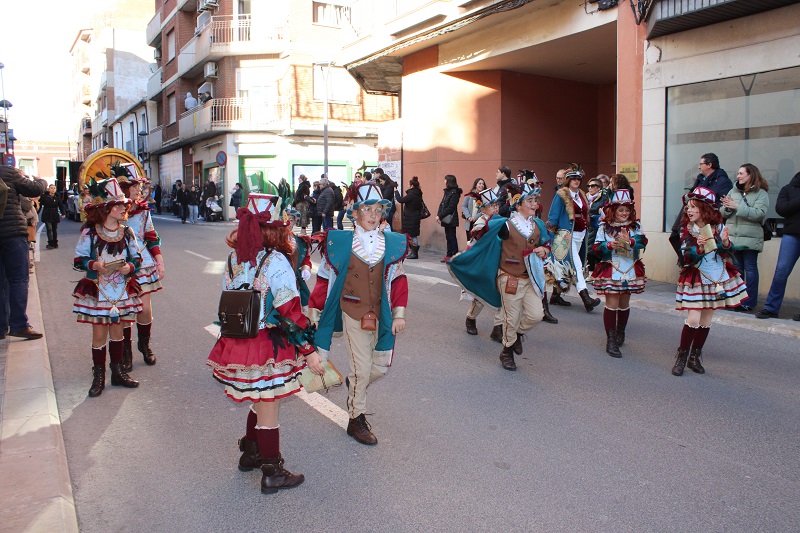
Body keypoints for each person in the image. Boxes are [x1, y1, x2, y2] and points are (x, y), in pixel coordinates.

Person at [207, 193, 323, 494]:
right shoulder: (276, 261)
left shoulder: (233, 259)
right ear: (274, 230)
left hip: (239, 341)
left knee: (258, 396)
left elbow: (225, 300)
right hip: (267, 343)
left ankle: (250, 453)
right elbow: (290, 311)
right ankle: (272, 470)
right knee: (269, 403)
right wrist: (308, 350)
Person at [308, 182, 409, 445]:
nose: (373, 215)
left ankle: (355, 384)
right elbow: (324, 279)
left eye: (378, 209)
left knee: (381, 367)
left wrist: (399, 314)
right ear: (355, 214)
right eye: (367, 209)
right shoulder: (340, 243)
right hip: (352, 311)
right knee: (363, 368)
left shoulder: (392, 243)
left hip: (382, 314)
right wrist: (315, 309)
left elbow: (398, 281)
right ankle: (356, 418)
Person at [449, 182, 550, 371]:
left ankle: (517, 335)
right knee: (510, 318)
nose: (534, 203)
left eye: (535, 200)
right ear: (518, 205)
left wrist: (544, 250)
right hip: (509, 276)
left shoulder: (538, 225)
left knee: (537, 315)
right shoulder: (505, 225)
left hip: (531, 278)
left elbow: (547, 244)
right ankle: (507, 351)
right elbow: (483, 239)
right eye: (530, 200)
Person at [72, 177, 143, 396]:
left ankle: (118, 372)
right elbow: (78, 260)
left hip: (121, 290)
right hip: (99, 290)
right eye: (119, 205)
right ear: (107, 208)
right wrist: (94, 264)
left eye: (124, 205)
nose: (124, 208)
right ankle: (99, 376)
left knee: (118, 331)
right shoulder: (90, 233)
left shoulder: (127, 232)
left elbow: (137, 258)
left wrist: (129, 267)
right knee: (99, 334)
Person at [672, 186, 746, 376]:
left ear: (704, 209)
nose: (688, 210)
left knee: (706, 320)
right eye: (688, 207)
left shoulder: (719, 227)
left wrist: (726, 243)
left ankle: (694, 358)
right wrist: (698, 247)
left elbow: (727, 253)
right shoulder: (687, 231)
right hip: (697, 277)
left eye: (693, 207)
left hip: (717, 277)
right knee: (693, 318)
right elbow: (686, 258)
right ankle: (681, 358)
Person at [589, 190, 648, 357]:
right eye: (621, 210)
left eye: (627, 210)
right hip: (611, 268)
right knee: (612, 303)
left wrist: (631, 241)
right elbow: (595, 248)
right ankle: (611, 339)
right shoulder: (604, 227)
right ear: (613, 210)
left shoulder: (636, 227)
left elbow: (643, 242)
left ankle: (621, 332)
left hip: (629, 268)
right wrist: (609, 246)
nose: (624, 213)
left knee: (624, 303)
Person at [117, 172, 165, 371]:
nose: (138, 190)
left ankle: (144, 345)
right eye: (134, 186)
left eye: (139, 186)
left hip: (142, 263)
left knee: (144, 309)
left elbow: (151, 236)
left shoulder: (144, 212)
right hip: (119, 265)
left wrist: (159, 261)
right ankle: (126, 351)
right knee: (126, 310)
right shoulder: (113, 212)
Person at [0, 166, 47, 340]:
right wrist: (41, 180)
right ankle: (19, 325)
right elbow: (35, 189)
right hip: (12, 233)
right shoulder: (8, 172)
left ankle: (1, 326)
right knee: (18, 279)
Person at [546, 164, 602, 312]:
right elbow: (553, 217)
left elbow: (586, 214)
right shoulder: (561, 194)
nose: (576, 181)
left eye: (578, 178)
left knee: (569, 266)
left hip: (581, 234)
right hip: (565, 236)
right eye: (573, 178)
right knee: (577, 266)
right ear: (568, 180)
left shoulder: (582, 194)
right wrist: (550, 240)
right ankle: (586, 298)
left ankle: (555, 296)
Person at [720, 163, 769, 313]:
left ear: (750, 175)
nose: (738, 176)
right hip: (733, 237)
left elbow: (759, 214)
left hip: (750, 239)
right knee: (736, 270)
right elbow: (723, 213)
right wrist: (727, 207)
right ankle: (736, 300)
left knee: (751, 269)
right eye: (738, 173)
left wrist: (737, 207)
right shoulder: (733, 191)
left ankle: (750, 302)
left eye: (741, 173)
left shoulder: (761, 194)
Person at [459, 188, 504, 337]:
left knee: (502, 295)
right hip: (484, 265)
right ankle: (470, 319)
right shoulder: (480, 223)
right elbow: (474, 245)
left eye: (496, 205)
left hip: (499, 264)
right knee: (480, 297)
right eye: (492, 205)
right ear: (483, 208)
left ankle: (498, 328)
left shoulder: (501, 221)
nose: (496, 208)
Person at [669, 153, 732, 259]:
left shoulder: (723, 182)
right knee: (688, 251)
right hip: (696, 223)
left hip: (710, 221)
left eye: (701, 164)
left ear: (709, 165)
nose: (698, 166)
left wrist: (725, 241)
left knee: (713, 254)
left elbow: (723, 203)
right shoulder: (700, 180)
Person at [756, 171, 800, 321]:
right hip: (792, 235)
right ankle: (771, 308)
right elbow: (781, 209)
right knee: (781, 270)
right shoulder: (788, 189)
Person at [284, 208, 313, 313]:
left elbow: (305, 259)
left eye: (291, 220)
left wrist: (306, 268)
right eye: (285, 218)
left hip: (295, 282)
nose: (288, 222)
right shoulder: (272, 240)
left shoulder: (300, 241)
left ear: (295, 222)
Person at [394, 175, 424, 259]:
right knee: (412, 234)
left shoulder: (412, 194)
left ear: (411, 185)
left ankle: (414, 253)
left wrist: (396, 190)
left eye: (408, 184)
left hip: (411, 217)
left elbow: (400, 200)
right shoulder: (418, 193)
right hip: (414, 217)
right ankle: (413, 252)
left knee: (412, 235)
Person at [586, 177, 611, 272]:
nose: (590, 188)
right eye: (589, 186)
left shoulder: (603, 198)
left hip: (598, 227)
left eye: (593, 186)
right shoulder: (586, 197)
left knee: (596, 250)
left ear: (599, 187)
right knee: (588, 251)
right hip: (587, 227)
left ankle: (597, 272)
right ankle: (590, 272)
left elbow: (605, 211)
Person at [436, 174, 462, 262]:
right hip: (445, 217)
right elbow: (442, 204)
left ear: (449, 181)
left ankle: (454, 255)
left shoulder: (454, 193)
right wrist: (439, 214)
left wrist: (440, 215)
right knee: (448, 236)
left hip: (451, 218)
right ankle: (449, 254)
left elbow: (451, 207)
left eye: (445, 180)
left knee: (452, 236)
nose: (444, 181)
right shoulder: (447, 192)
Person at [39, 183, 66, 249]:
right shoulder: (44, 196)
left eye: (54, 188)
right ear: (48, 189)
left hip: (54, 214)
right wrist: (37, 212)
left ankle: (55, 243)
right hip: (47, 213)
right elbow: (40, 204)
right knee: (49, 228)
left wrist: (63, 213)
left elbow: (61, 205)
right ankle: (50, 243)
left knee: (54, 229)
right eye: (51, 188)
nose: (53, 190)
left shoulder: (57, 197)